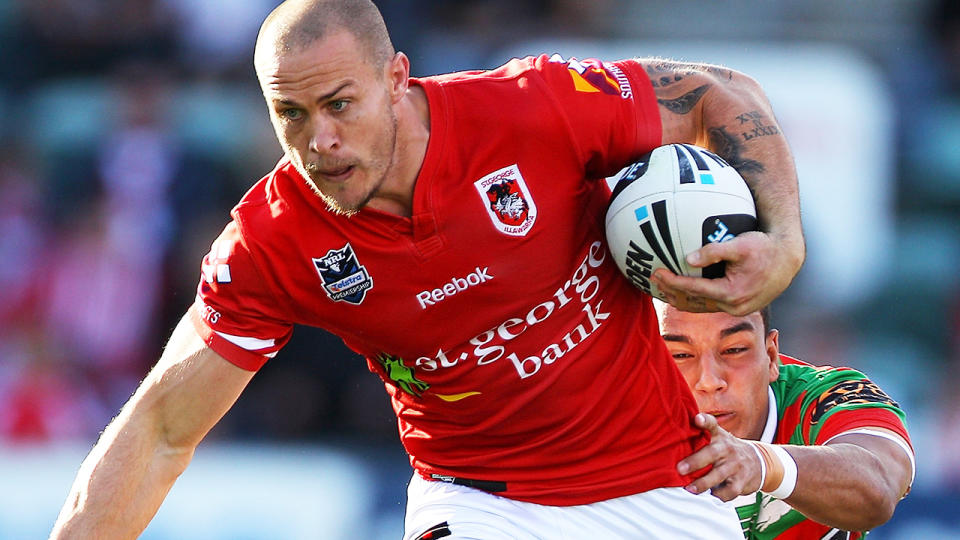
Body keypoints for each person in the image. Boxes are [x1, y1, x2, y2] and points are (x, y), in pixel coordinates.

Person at [50, 0, 806, 538]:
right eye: (293, 116)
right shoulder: (271, 244)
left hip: (661, 483)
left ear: (397, 77)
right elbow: (158, 432)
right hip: (480, 503)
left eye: (340, 104)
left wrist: (782, 244)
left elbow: (720, 94)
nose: (321, 142)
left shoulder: (530, 110)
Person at [658, 302, 914, 539]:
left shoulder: (826, 396)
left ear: (771, 356)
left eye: (734, 349)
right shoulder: (622, 415)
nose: (710, 381)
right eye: (680, 355)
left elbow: (878, 489)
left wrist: (762, 463)